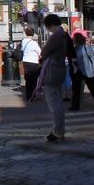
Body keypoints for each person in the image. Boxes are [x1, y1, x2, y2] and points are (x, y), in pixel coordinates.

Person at [38, 14, 70, 142]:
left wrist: (42, 54)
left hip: (52, 70)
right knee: (56, 101)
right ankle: (58, 131)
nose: (47, 29)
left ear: (50, 25)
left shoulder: (57, 35)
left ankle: (58, 132)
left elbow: (45, 51)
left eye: (47, 26)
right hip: (58, 69)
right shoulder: (63, 34)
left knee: (53, 102)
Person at [69, 33, 94, 111]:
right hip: (78, 71)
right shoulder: (75, 49)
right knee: (76, 89)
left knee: (92, 88)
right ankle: (75, 105)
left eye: (74, 39)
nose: (73, 40)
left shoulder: (86, 47)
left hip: (88, 71)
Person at [21, 26, 41, 102]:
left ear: (26, 33)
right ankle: (33, 95)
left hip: (25, 61)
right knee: (34, 80)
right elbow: (40, 52)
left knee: (28, 79)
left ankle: (28, 96)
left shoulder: (23, 41)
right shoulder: (34, 43)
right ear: (33, 34)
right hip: (33, 62)